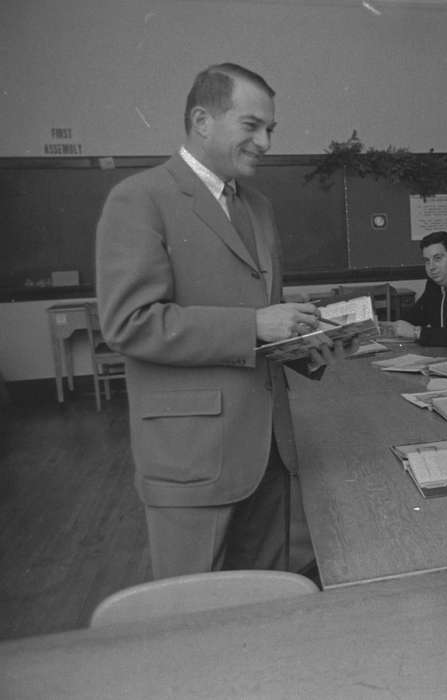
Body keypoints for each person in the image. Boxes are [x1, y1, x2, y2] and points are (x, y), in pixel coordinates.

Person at [95, 63, 338, 579]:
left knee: (268, 607)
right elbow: (130, 323)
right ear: (202, 120)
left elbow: (263, 321)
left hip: (271, 453)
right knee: (197, 627)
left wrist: (307, 343)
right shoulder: (139, 198)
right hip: (194, 461)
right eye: (251, 126)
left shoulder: (259, 207)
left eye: (270, 129)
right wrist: (254, 325)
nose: (266, 141)